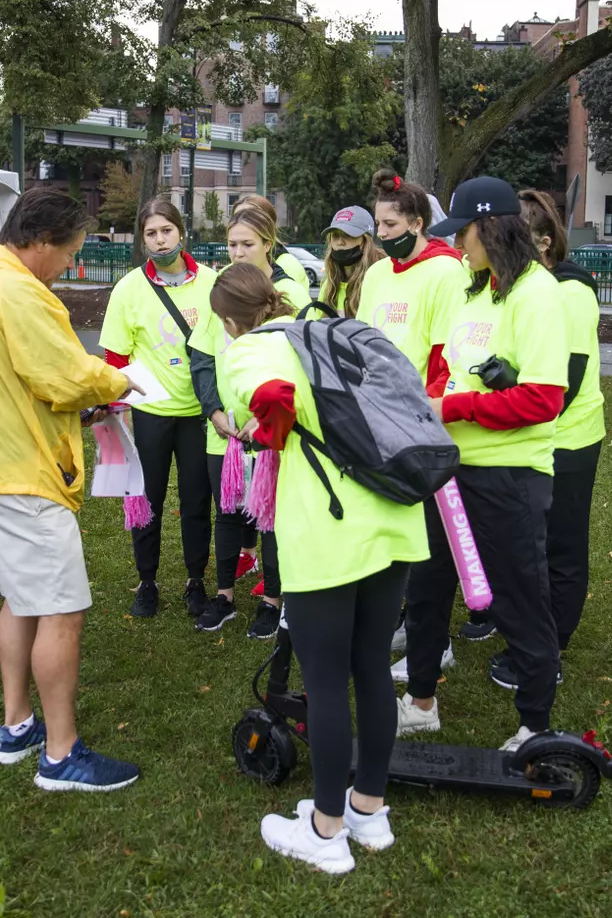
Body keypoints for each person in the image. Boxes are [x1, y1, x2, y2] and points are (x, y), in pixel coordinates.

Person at [212, 263, 427, 874]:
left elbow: (272, 398)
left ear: (229, 320)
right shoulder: (328, 326)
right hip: (393, 517)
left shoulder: (251, 348)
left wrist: (266, 430)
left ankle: (327, 831)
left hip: (329, 531)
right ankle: (370, 809)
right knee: (372, 669)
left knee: (327, 680)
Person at [0, 187, 143, 792]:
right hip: (24, 478)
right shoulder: (18, 291)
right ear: (38, 242)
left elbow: (16, 380)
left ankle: (17, 726)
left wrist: (71, 411)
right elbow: (62, 373)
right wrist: (121, 381)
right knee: (62, 611)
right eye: (68, 254)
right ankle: (61, 756)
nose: (70, 267)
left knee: (20, 601)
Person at [402, 176, 568, 751]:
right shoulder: (476, 291)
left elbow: (544, 400)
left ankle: (535, 724)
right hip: (450, 472)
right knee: (424, 589)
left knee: (519, 597)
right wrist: (436, 401)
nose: (459, 245)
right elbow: (449, 365)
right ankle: (420, 701)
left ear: (490, 227)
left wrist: (455, 406)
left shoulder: (539, 295)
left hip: (510, 477)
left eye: (464, 233)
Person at [484, 191, 606, 689]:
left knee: (560, 547)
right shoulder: (530, 288)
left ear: (543, 241)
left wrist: (510, 385)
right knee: (533, 545)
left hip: (570, 440)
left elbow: (564, 382)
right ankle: (535, 631)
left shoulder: (569, 294)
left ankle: (553, 644)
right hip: (540, 438)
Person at [355, 174, 466, 664]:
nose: (382, 231)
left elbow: (445, 356)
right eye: (378, 222)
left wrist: (425, 420)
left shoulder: (446, 271)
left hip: (419, 426)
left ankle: (434, 640)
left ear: (418, 223)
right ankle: (408, 621)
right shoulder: (378, 274)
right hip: (376, 422)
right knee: (394, 533)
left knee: (429, 543)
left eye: (391, 222)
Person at [99, 199, 218, 620]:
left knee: (195, 500)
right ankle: (146, 582)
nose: (160, 239)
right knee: (146, 501)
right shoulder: (129, 288)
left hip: (199, 414)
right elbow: (115, 358)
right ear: (142, 238)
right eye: (151, 233)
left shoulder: (210, 282)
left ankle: (195, 580)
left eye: (166, 230)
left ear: (181, 232)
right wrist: (118, 412)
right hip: (149, 412)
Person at [217, 204, 311, 638]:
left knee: (279, 517)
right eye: (232, 244)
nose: (237, 252)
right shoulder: (230, 291)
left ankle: (284, 596)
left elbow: (278, 389)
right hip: (252, 433)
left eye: (247, 244)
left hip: (286, 441)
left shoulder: (250, 344)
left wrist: (268, 424)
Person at [231, 194, 311, 289]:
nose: (241, 223)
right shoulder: (227, 270)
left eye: (250, 218)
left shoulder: (289, 265)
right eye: (237, 217)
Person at [320, 205, 382, 317]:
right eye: (335, 236)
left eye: (348, 235)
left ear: (365, 241)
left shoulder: (379, 280)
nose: (340, 242)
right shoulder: (329, 285)